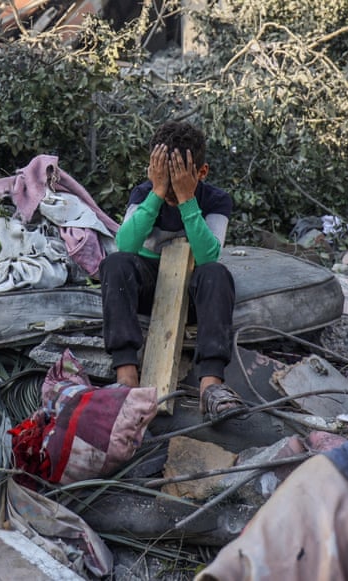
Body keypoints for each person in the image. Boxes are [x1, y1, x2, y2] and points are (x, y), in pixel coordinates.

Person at [99, 120, 248, 423]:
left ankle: (211, 386)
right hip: (148, 284)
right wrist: (157, 194)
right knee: (114, 264)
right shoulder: (145, 193)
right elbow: (125, 244)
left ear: (201, 173)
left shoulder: (216, 200)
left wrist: (186, 199)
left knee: (217, 274)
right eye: (162, 180)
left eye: (175, 180)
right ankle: (126, 374)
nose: (168, 189)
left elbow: (208, 255)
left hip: (193, 288)